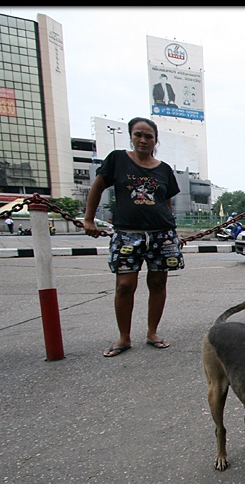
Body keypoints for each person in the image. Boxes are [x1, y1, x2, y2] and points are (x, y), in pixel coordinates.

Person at [82, 117, 184, 357]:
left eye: (148, 136)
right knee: (125, 285)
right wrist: (88, 219)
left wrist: (173, 232)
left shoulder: (163, 169)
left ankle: (152, 332)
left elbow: (166, 202)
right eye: (138, 134)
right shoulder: (117, 160)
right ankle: (124, 337)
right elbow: (97, 188)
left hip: (162, 234)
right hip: (128, 234)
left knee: (158, 283)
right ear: (131, 136)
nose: (143, 140)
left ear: (155, 140)